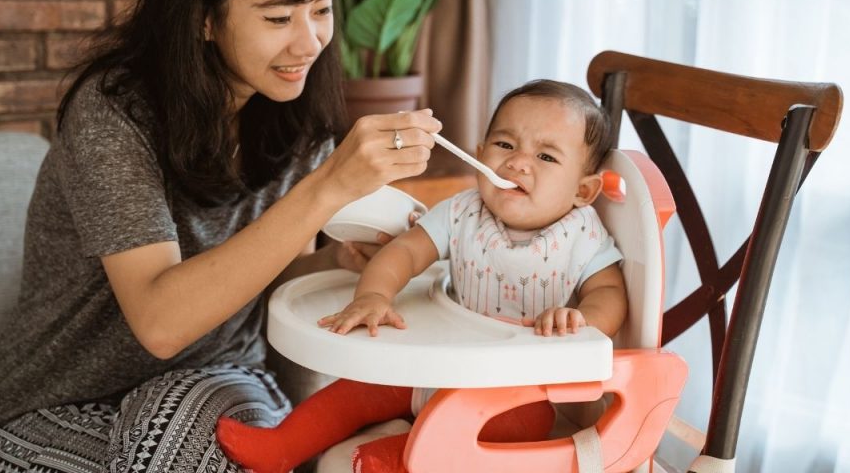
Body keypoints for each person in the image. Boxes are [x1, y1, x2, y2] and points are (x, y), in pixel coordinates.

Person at [0, 0, 442, 472]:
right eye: (277, 18)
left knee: (190, 447)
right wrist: (327, 189)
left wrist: (338, 257)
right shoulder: (113, 115)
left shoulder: (297, 113)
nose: (309, 42)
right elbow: (161, 324)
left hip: (217, 378)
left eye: (321, 9)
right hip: (60, 405)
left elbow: (270, 273)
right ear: (201, 17)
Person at [216, 80, 629, 473]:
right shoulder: (462, 212)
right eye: (505, 144)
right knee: (353, 391)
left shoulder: (582, 234)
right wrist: (374, 296)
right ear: (480, 154)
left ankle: (394, 457)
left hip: (518, 390)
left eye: (546, 157)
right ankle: (280, 447)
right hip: (439, 365)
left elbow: (610, 292)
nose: (518, 161)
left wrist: (582, 321)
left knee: (517, 427)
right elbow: (405, 251)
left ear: (583, 191)